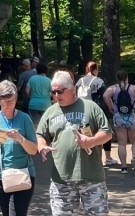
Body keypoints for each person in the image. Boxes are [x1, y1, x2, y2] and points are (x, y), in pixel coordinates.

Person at [35, 71, 113, 216]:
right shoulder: (51, 112)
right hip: (61, 179)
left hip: (91, 177)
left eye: (60, 91)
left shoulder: (90, 107)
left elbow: (107, 132)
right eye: (53, 92)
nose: (56, 95)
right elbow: (40, 134)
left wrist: (92, 141)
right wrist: (42, 146)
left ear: (71, 89)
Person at [0, 81, 38, 216]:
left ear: (16, 99)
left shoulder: (25, 119)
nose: (8, 105)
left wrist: (20, 139)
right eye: (4, 101)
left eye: (11, 101)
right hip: (0, 177)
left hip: (23, 174)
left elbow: (33, 150)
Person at [102, 69, 135, 174]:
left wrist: (111, 107)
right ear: (127, 77)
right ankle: (134, 158)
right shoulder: (133, 88)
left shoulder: (113, 88)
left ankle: (124, 167)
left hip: (119, 117)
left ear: (117, 78)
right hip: (132, 117)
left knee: (122, 144)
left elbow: (105, 96)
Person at [75, 62, 110, 165]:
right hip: (96, 111)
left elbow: (75, 95)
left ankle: (86, 156)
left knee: (85, 132)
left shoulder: (79, 81)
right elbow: (105, 95)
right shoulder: (98, 81)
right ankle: (107, 157)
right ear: (95, 70)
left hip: (81, 110)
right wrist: (110, 107)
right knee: (104, 131)